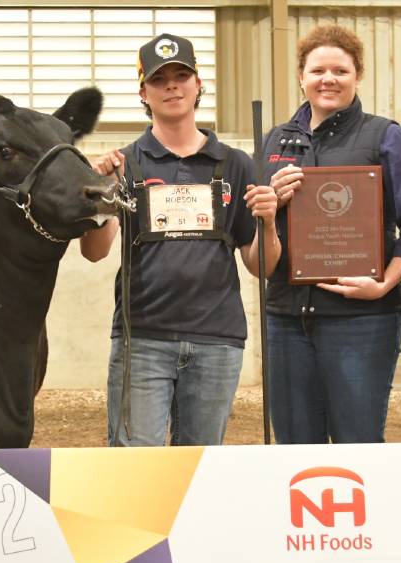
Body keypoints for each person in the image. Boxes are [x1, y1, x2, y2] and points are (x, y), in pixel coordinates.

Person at [80, 33, 279, 447]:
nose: (171, 85)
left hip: (217, 341)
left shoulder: (237, 165)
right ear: (143, 93)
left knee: (198, 473)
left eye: (181, 75)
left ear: (198, 84)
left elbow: (262, 266)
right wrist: (101, 200)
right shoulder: (124, 163)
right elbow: (95, 252)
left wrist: (270, 222)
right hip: (143, 340)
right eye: (159, 79)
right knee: (135, 471)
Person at [260, 24, 401, 444]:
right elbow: (260, 228)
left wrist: (385, 283)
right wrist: (272, 203)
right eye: (317, 70)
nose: (328, 79)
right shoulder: (276, 141)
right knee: (295, 447)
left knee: (359, 443)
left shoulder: (387, 137)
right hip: (286, 318)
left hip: (362, 320)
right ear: (301, 75)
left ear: (357, 75)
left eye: (340, 70)